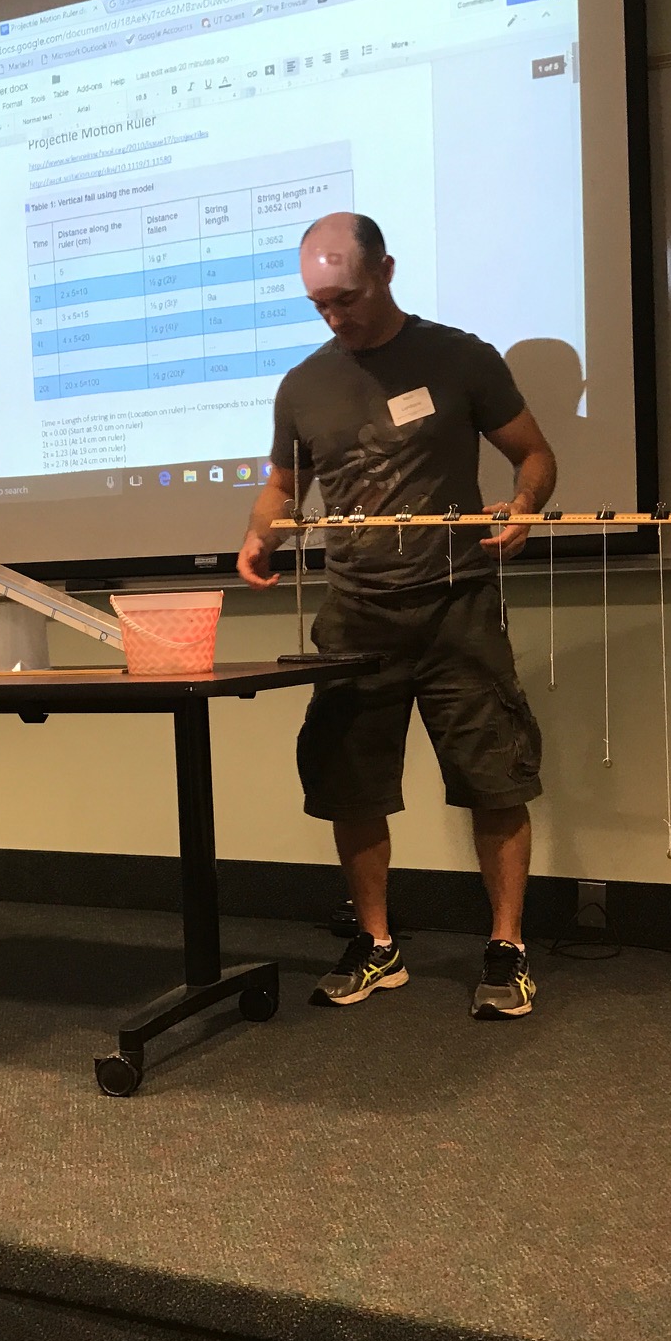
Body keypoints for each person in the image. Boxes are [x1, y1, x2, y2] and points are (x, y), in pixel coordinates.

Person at [237, 213, 556, 1020]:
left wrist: (523, 506)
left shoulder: (461, 358)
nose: (334, 317)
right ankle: (377, 946)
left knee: (494, 777)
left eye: (345, 299)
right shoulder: (303, 385)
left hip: (458, 606)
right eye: (320, 306)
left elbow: (534, 455)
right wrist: (260, 534)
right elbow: (283, 487)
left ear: (385, 270)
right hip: (356, 615)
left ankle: (507, 948)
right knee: (352, 785)